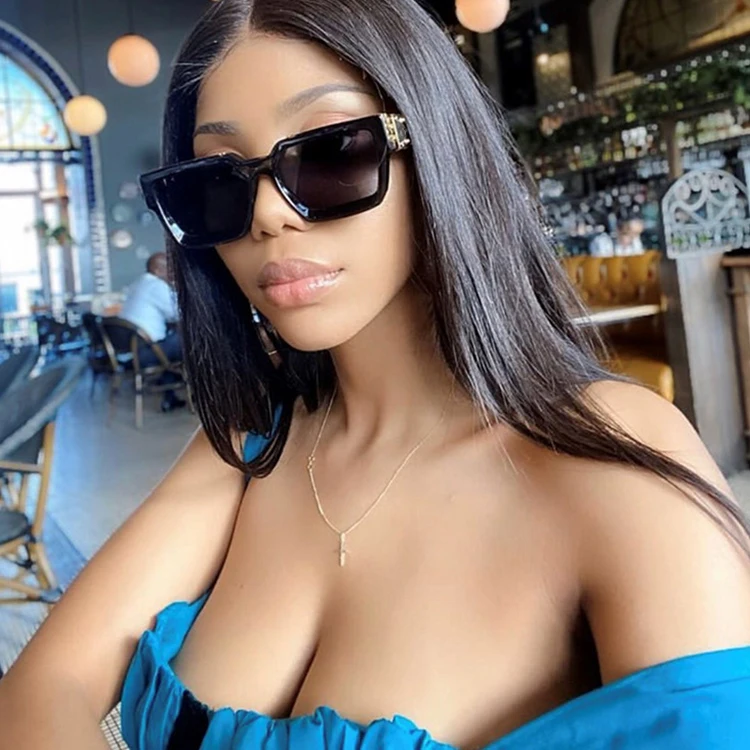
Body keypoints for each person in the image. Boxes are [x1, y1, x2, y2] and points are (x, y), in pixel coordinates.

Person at [2, 1, 750, 748]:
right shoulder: (252, 444)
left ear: (440, 148)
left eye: (331, 152)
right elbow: (42, 687)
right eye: (219, 181)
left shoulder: (612, 457)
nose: (267, 215)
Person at [120, 252, 186, 411]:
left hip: (132, 353)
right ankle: (202, 394)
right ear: (157, 270)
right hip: (147, 352)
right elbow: (179, 313)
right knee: (191, 340)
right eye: (169, 268)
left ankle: (170, 396)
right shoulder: (156, 285)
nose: (172, 272)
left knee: (169, 343)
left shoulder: (137, 284)